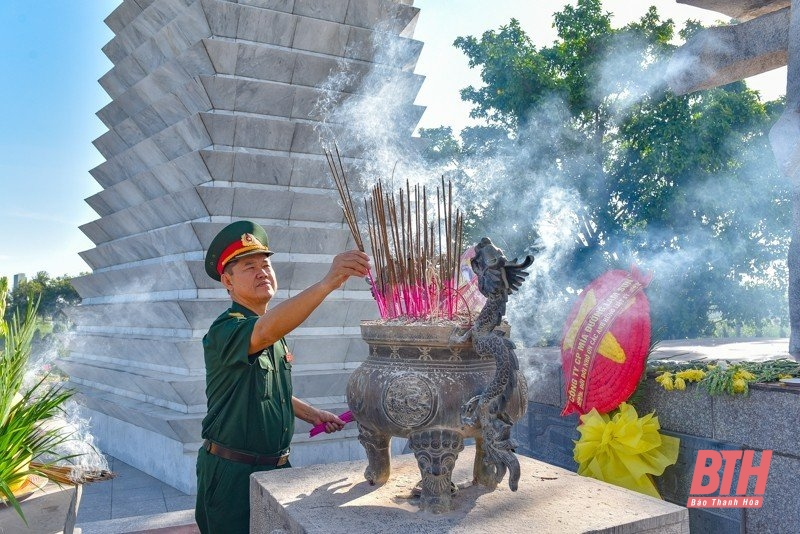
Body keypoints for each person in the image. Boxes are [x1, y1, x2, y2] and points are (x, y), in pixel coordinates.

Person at [195, 220, 371, 534]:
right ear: (227, 281)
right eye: (249, 266)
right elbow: (263, 331)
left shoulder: (274, 333)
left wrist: (313, 414)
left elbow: (269, 389)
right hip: (233, 473)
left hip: (276, 468)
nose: (262, 271)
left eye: (266, 264)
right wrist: (327, 282)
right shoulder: (228, 329)